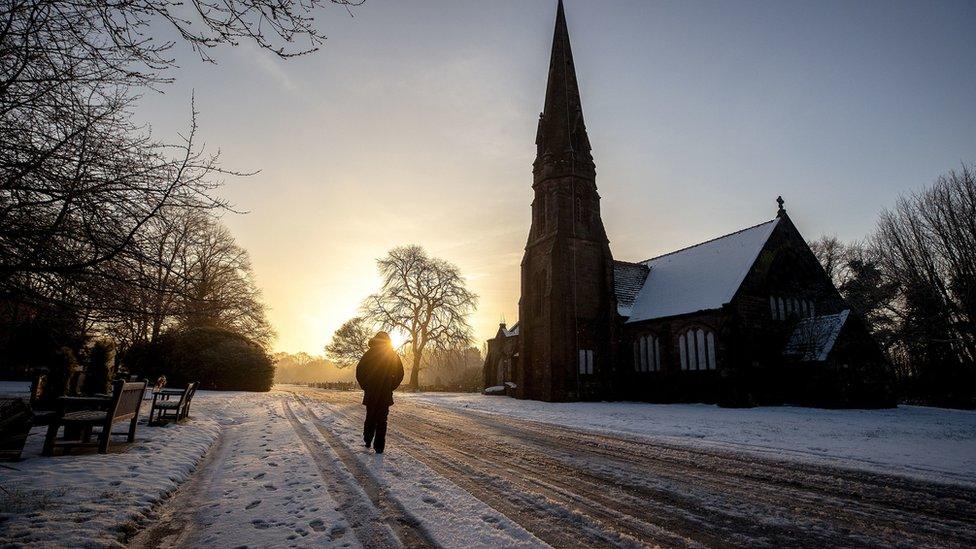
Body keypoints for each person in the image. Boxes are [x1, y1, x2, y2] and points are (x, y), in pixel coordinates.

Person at [355, 331, 404, 454]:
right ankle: (379, 447)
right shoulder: (392, 355)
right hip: (384, 393)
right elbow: (400, 374)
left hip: (371, 392)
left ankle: (367, 439)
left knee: (370, 417)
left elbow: (359, 372)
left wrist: (366, 385)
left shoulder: (368, 354)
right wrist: (391, 386)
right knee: (382, 420)